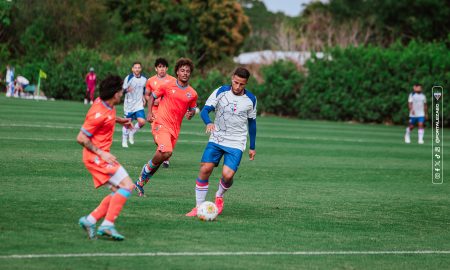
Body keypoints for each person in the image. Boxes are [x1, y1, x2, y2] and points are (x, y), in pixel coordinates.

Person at [186, 67, 257, 217]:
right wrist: (208, 122)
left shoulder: (251, 99)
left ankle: (219, 195)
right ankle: (198, 207)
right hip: (217, 138)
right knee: (205, 168)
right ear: (232, 78)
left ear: (246, 83)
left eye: (241, 84)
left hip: (237, 141)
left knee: (228, 175)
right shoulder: (220, 92)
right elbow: (205, 110)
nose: (237, 87)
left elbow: (252, 123)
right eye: (236, 82)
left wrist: (252, 147)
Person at [77, 75, 135, 241]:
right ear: (115, 94)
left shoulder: (107, 104)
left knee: (119, 192)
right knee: (127, 186)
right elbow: (81, 137)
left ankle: (90, 220)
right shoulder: (98, 112)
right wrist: (101, 153)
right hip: (96, 158)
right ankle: (107, 225)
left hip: (102, 157)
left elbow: (107, 118)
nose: (121, 95)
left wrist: (120, 120)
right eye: (120, 92)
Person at [135, 58, 198, 197]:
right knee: (166, 151)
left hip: (175, 129)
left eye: (188, 71)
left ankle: (140, 181)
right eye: (182, 70)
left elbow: (193, 108)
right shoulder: (167, 85)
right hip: (161, 123)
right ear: (177, 72)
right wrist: (150, 113)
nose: (185, 73)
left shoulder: (192, 93)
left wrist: (191, 113)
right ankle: (144, 171)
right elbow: (152, 96)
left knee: (165, 155)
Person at [145, 57, 176, 168]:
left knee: (168, 133)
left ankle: (166, 158)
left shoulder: (173, 80)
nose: (162, 69)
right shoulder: (150, 80)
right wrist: (148, 103)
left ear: (167, 68)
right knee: (156, 135)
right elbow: (147, 94)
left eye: (163, 67)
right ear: (156, 69)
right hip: (155, 110)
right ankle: (163, 150)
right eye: (159, 67)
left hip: (167, 110)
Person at [122, 62, 147, 148]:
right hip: (129, 105)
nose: (137, 69)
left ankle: (131, 133)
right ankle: (124, 140)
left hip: (139, 105)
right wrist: (126, 91)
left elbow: (144, 89)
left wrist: (143, 97)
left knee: (142, 121)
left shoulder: (144, 79)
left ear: (141, 69)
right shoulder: (129, 78)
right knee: (127, 123)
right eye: (135, 67)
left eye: (138, 67)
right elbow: (122, 90)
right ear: (132, 69)